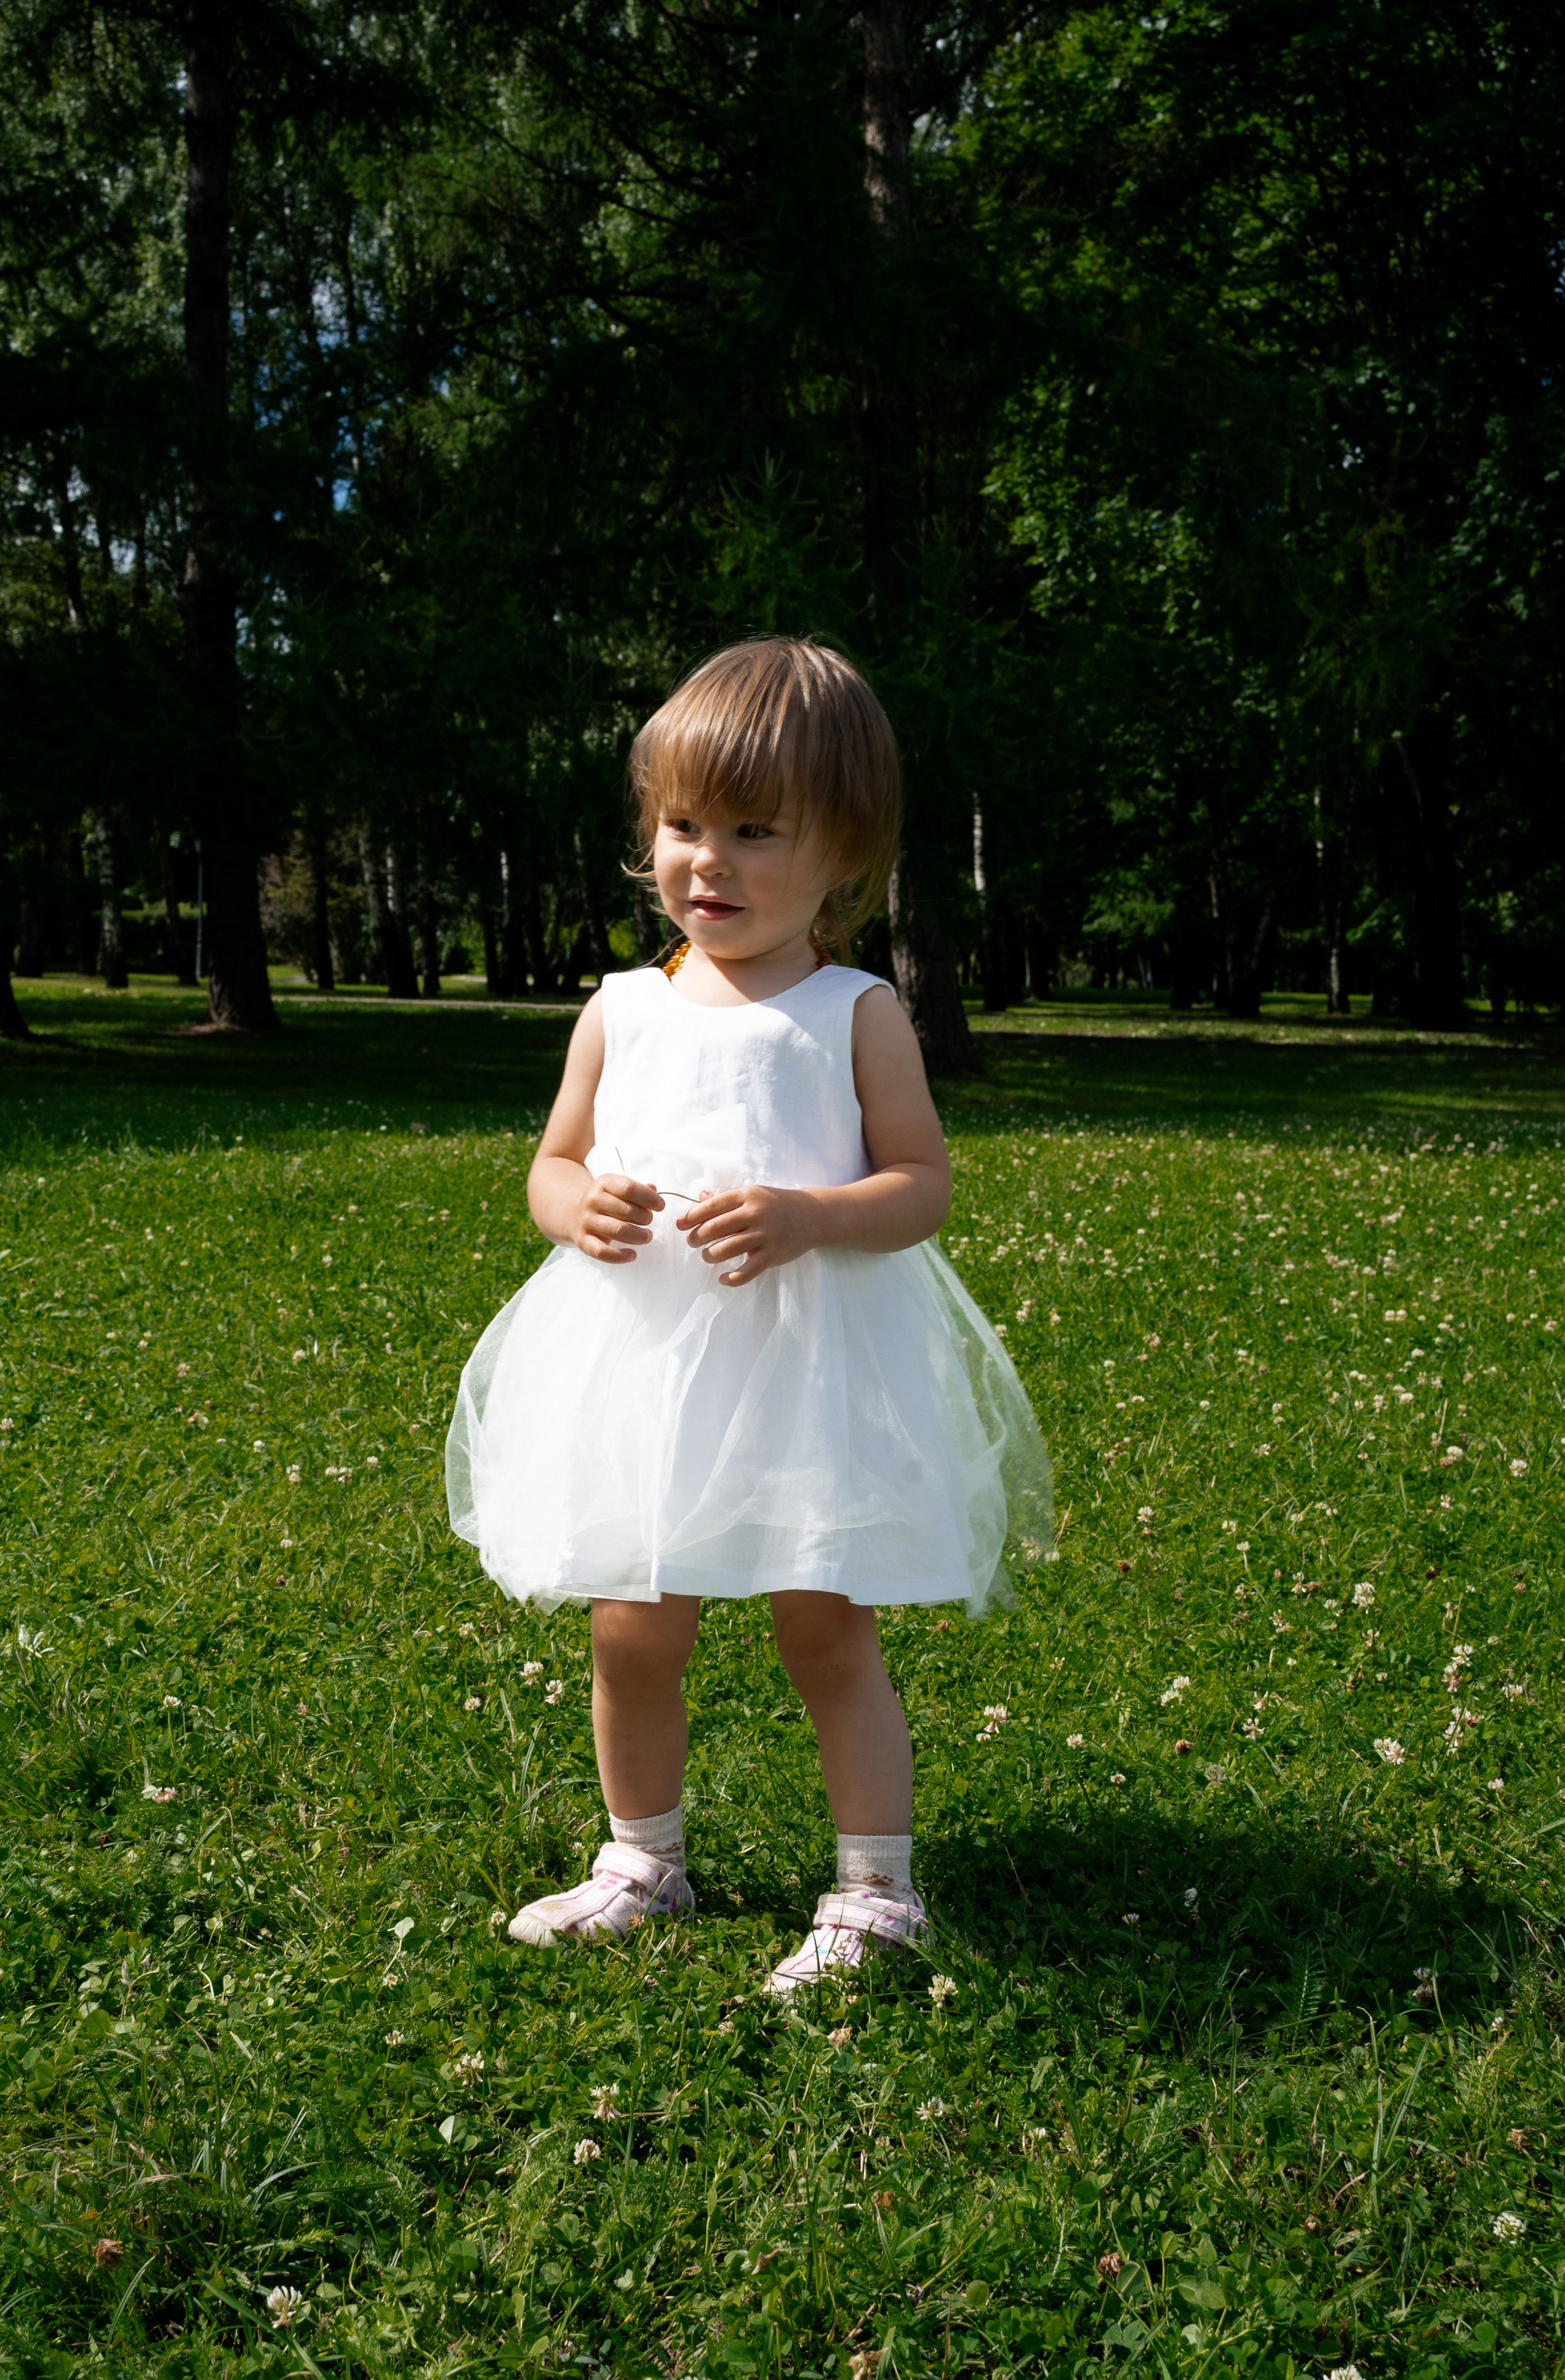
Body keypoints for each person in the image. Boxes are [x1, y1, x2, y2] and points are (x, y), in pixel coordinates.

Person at [446, 638, 1050, 1991]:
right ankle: (640, 1859)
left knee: (822, 1627)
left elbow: (921, 1184)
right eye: (683, 825)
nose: (706, 861)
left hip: (804, 1370)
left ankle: (875, 1889)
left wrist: (810, 1213)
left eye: (754, 831)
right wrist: (574, 1207)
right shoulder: (618, 1009)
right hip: (641, 1363)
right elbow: (552, 1161)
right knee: (629, 1625)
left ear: (845, 850)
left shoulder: (853, 1011)